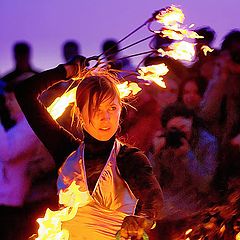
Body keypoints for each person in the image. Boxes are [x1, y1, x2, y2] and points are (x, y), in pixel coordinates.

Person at [14, 58, 163, 240]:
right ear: (80, 112)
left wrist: (140, 220)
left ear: (120, 110)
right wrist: (66, 71)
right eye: (95, 109)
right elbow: (24, 92)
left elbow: (153, 200)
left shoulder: (129, 158)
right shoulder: (66, 150)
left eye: (112, 108)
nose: (105, 117)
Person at [149, 103, 218, 219]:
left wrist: (187, 156)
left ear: (190, 120)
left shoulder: (207, 143)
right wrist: (154, 155)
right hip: (169, 200)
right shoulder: (165, 140)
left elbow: (204, 186)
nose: (179, 133)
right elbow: (151, 183)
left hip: (196, 202)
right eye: (174, 130)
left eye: (183, 127)